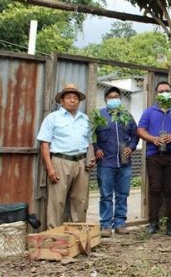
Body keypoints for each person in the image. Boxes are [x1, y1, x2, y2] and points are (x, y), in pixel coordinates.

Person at [37, 83, 95, 229]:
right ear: (61, 101)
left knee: (80, 201)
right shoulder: (52, 118)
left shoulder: (85, 119)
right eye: (68, 97)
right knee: (57, 201)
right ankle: (54, 234)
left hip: (81, 163)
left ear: (79, 101)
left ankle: (77, 235)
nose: (72, 100)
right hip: (60, 161)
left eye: (75, 98)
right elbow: (44, 145)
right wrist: (50, 168)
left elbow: (90, 142)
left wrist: (91, 158)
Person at [138, 81, 171, 235]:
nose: (164, 93)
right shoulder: (149, 112)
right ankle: (153, 222)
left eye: (167, 90)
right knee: (155, 189)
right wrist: (152, 139)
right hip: (154, 155)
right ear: (156, 94)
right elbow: (140, 130)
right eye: (161, 91)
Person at [94, 86, 139, 238]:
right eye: (111, 97)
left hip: (124, 163)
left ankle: (120, 223)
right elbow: (91, 135)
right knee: (105, 195)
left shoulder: (127, 115)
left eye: (116, 97)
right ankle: (105, 224)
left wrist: (131, 147)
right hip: (106, 162)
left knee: (122, 194)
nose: (114, 99)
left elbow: (135, 135)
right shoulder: (99, 116)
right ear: (105, 99)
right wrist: (96, 148)